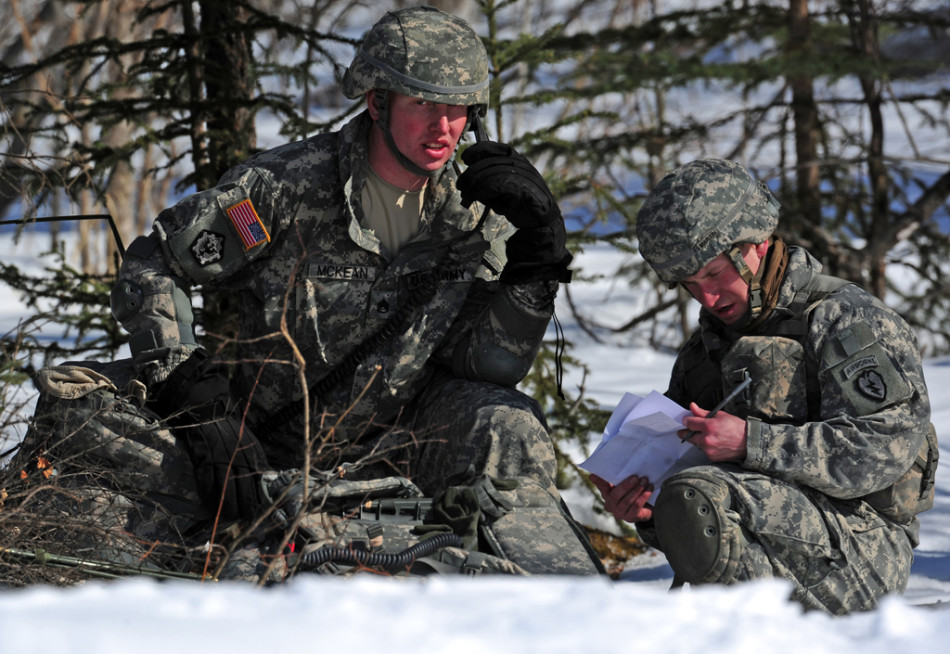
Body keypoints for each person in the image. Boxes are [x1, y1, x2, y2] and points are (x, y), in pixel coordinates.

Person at [108, 6, 601, 576]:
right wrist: (188, 388)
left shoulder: (478, 208)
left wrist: (536, 266)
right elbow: (154, 263)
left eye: (458, 109)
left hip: (403, 444)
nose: (443, 128)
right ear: (377, 102)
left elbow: (486, 365)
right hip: (269, 449)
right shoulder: (286, 188)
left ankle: (563, 602)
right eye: (422, 105)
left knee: (507, 421)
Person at [592, 158, 938, 613]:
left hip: (863, 548)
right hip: (761, 541)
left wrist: (751, 443)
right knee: (691, 497)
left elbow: (884, 449)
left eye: (715, 275)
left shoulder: (844, 320)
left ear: (755, 243)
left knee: (701, 495)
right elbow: (685, 487)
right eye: (691, 286)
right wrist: (647, 509)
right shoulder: (705, 350)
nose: (709, 299)